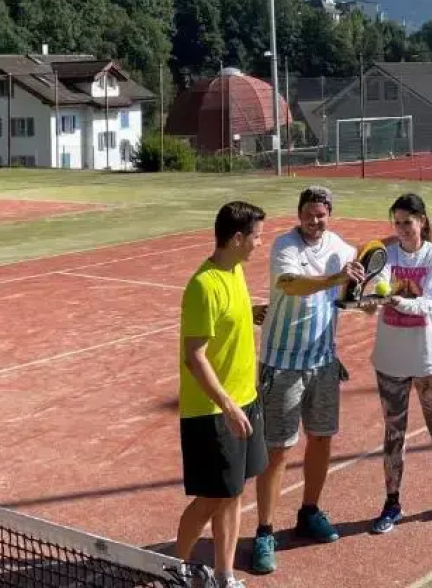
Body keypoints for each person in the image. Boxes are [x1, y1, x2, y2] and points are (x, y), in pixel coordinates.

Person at [249, 185, 367, 575]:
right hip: (281, 364)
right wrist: (336, 278)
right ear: (299, 214)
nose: (315, 221)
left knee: (321, 439)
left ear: (329, 213)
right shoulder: (285, 245)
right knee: (278, 449)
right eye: (309, 214)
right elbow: (291, 285)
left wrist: (367, 298)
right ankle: (265, 531)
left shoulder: (341, 247)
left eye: (321, 214)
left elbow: (358, 287)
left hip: (323, 364)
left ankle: (309, 512)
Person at [174, 200, 269, 588]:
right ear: (236, 238)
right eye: (256, 237)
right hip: (212, 411)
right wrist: (226, 405)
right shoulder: (203, 285)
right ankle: (173, 567)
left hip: (246, 399)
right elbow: (194, 357)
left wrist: (253, 313)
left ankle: (225, 575)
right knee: (212, 498)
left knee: (234, 493)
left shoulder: (235, 273)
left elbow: (229, 321)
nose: (260, 244)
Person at [363, 192, 432, 533]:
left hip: (430, 360)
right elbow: (368, 293)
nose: (401, 229)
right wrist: (368, 303)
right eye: (396, 223)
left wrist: (394, 300)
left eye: (407, 222)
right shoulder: (385, 255)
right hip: (390, 361)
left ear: (422, 221)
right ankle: (392, 503)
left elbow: (430, 302)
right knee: (394, 434)